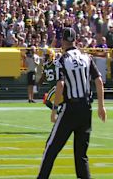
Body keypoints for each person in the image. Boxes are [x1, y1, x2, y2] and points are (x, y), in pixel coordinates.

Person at [37, 28, 107, 178]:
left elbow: (60, 85)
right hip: (86, 109)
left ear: (63, 41)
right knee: (81, 155)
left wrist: (54, 109)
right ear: (75, 40)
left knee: (51, 148)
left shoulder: (63, 59)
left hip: (70, 109)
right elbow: (99, 81)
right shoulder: (86, 57)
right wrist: (101, 106)